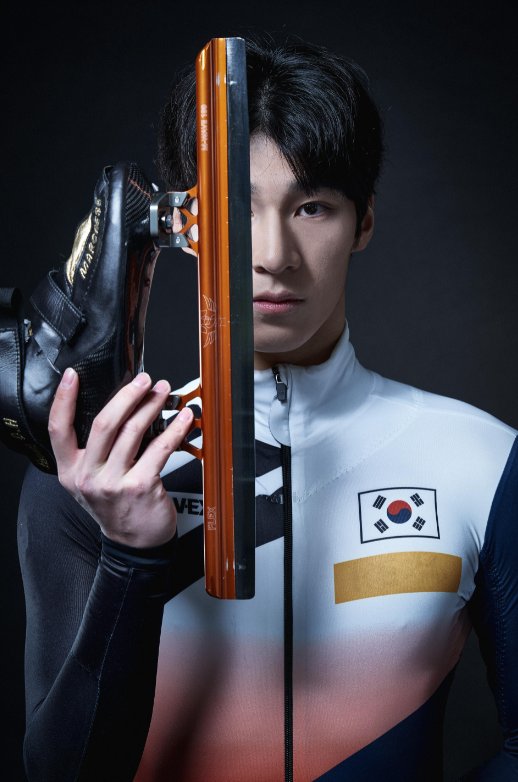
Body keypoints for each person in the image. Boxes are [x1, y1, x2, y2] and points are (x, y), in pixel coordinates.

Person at [17, 39, 518, 782]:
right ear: (184, 224)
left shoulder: (482, 462)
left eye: (313, 207)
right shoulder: (100, 466)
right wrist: (131, 556)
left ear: (364, 221)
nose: (274, 253)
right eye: (234, 209)